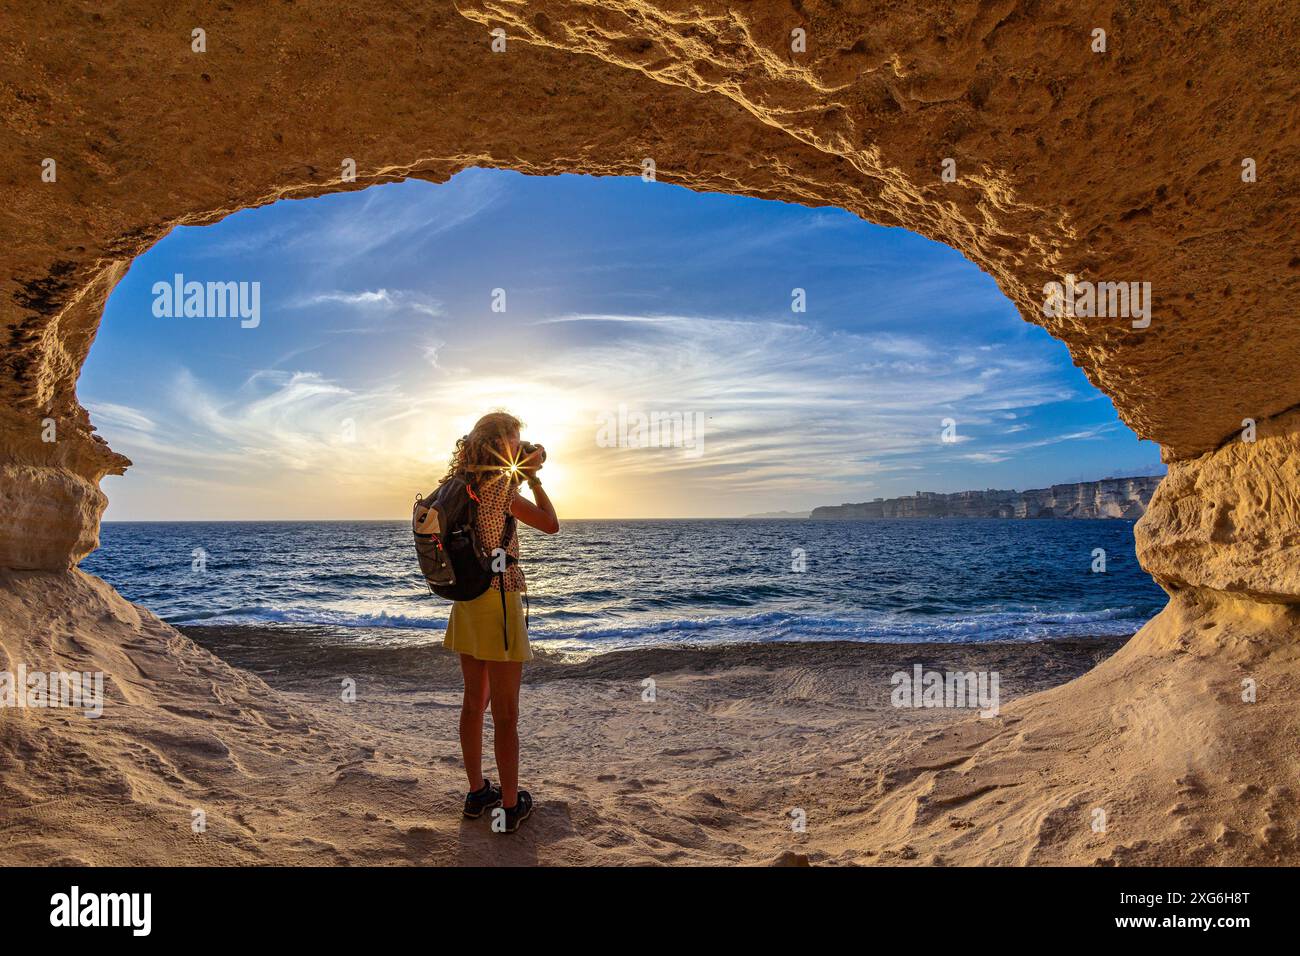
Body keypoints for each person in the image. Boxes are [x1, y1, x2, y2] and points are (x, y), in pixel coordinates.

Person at [441, 411, 559, 834]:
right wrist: (533, 478)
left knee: (474, 703)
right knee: (506, 714)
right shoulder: (501, 488)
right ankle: (510, 808)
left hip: (466, 600)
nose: (519, 444)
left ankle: (477, 793)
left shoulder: (458, 486)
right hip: (499, 600)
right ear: (503, 442)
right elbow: (551, 524)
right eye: (515, 438)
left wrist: (522, 465)